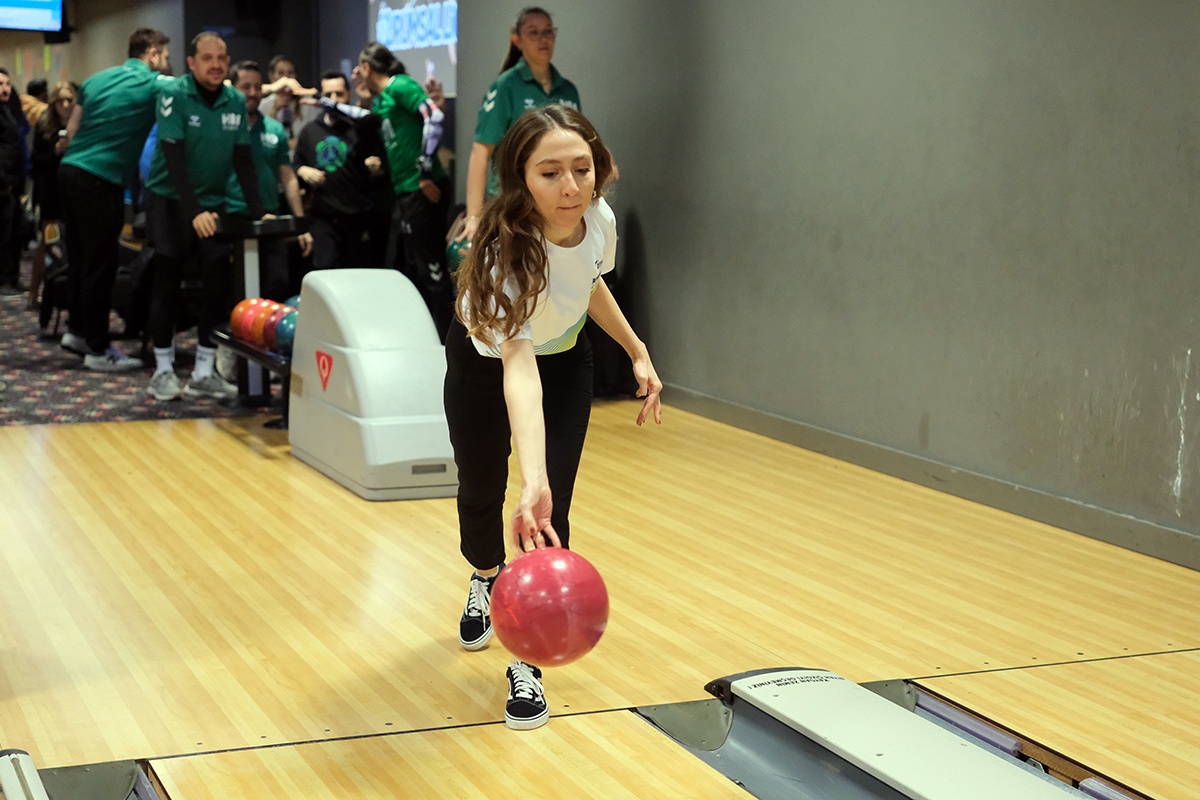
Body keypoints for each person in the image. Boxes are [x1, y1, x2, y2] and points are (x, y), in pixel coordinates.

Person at [444, 106, 662, 730]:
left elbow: (588, 284)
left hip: (565, 361)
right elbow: (518, 368)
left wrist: (636, 349)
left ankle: (527, 658)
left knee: (548, 511)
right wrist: (529, 474)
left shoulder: (600, 221)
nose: (570, 187)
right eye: (550, 173)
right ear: (521, 179)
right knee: (483, 489)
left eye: (581, 169)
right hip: (488, 365)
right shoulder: (503, 255)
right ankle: (486, 575)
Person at [142, 32, 264, 401]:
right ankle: (163, 370)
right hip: (169, 198)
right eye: (207, 58)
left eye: (222, 58)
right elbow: (173, 157)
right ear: (191, 62)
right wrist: (193, 211)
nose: (216, 64)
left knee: (217, 282)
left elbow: (243, 160)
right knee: (168, 279)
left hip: (213, 202)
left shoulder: (234, 100)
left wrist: (260, 212)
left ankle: (203, 372)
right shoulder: (174, 93)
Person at [58, 27, 171, 370]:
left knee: (79, 259)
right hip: (101, 180)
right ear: (152, 54)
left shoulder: (94, 80)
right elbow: (196, 89)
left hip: (70, 172)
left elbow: (71, 132)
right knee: (101, 265)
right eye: (165, 56)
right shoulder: (154, 83)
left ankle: (77, 331)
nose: (167, 63)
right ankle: (97, 350)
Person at [458, 7, 579, 245]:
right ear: (517, 40)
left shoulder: (568, 90)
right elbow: (481, 150)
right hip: (513, 205)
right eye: (534, 32)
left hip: (556, 205)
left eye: (548, 32)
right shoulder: (506, 86)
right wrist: (474, 215)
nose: (543, 39)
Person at [357, 42, 452, 339]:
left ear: (367, 68)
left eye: (359, 68)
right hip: (407, 192)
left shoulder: (400, 85)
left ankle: (448, 342)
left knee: (432, 270)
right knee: (414, 268)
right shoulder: (382, 100)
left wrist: (425, 171)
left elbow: (434, 117)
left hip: (425, 187)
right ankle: (424, 337)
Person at [226, 59, 312, 300]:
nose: (253, 93)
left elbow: (288, 176)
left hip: (270, 217)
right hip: (233, 217)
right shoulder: (225, 125)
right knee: (235, 290)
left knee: (277, 284)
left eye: (257, 87)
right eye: (246, 87)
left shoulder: (274, 129)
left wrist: (300, 223)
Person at [293, 70, 389, 271]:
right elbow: (294, 167)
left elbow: (383, 171)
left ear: (348, 94)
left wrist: (377, 168)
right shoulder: (310, 131)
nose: (334, 100)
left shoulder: (361, 128)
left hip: (357, 218)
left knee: (357, 276)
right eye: (328, 95)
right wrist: (302, 171)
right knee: (325, 274)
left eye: (339, 94)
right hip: (323, 219)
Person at [28, 81, 75, 309]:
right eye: (60, 100)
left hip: (74, 192)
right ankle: (35, 294)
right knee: (47, 244)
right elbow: (35, 162)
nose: (65, 105)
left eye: (69, 100)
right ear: (53, 103)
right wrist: (55, 152)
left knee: (72, 246)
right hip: (50, 192)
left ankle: (66, 297)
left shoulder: (80, 125)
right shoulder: (45, 126)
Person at [0, 68, 25, 295]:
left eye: (7, 83)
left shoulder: (8, 110)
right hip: (3, 184)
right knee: (3, 236)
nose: (5, 88)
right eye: (0, 84)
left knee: (14, 233)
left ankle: (12, 277)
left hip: (13, 183)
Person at [259, 55, 319, 146]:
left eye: (290, 73)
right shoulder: (262, 105)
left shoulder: (308, 103)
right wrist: (274, 110)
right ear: (271, 76)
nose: (286, 79)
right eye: (281, 73)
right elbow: (262, 137)